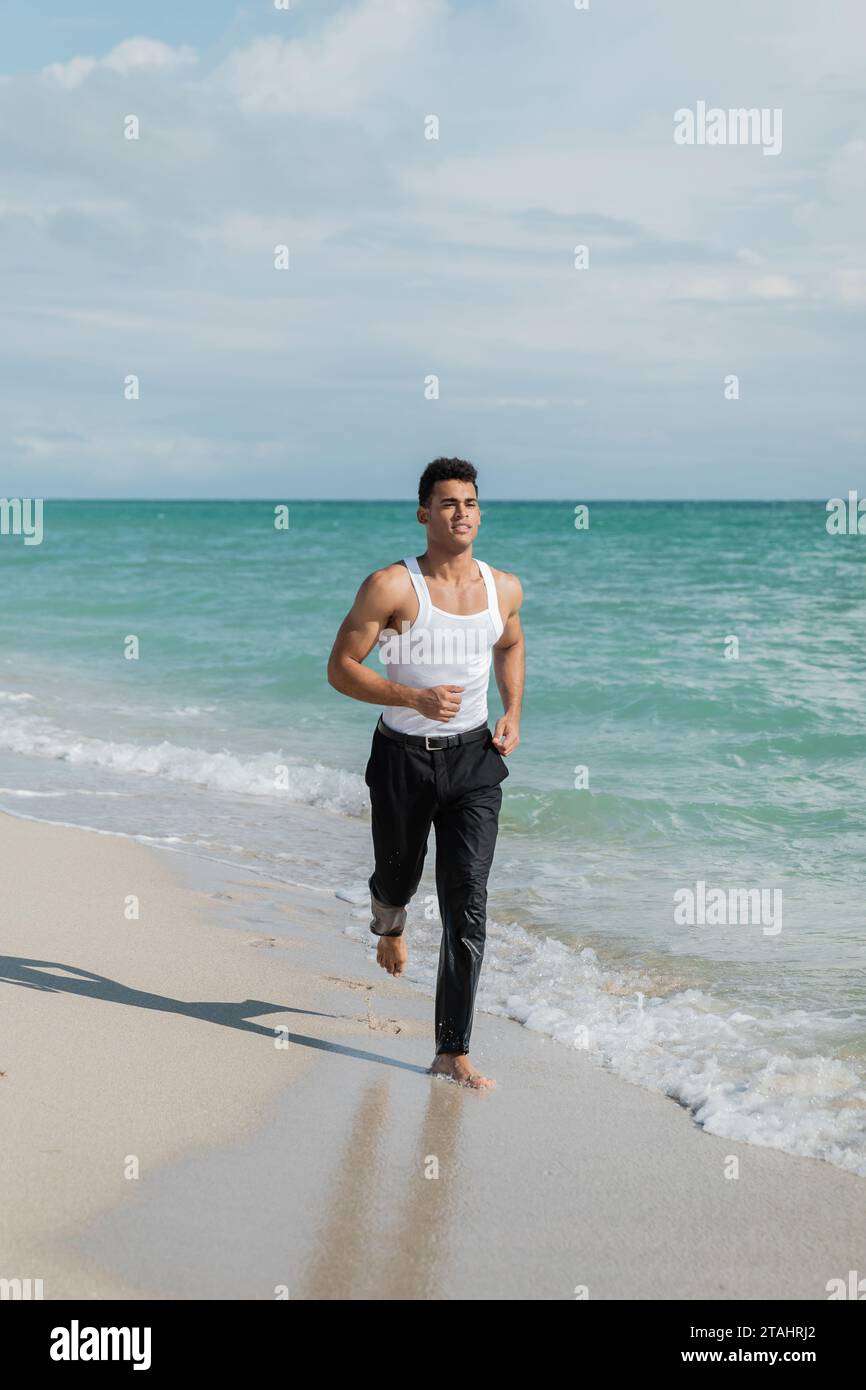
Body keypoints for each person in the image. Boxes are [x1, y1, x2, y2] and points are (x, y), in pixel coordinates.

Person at [326, 457, 525, 1088]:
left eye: (469, 502)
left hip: (474, 760)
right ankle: (390, 923)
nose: (461, 513)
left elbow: (511, 643)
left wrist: (513, 709)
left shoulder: (503, 589)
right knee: (396, 877)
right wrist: (410, 697)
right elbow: (339, 668)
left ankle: (451, 1049)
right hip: (402, 760)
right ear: (424, 515)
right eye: (447, 504)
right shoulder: (391, 587)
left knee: (468, 900)